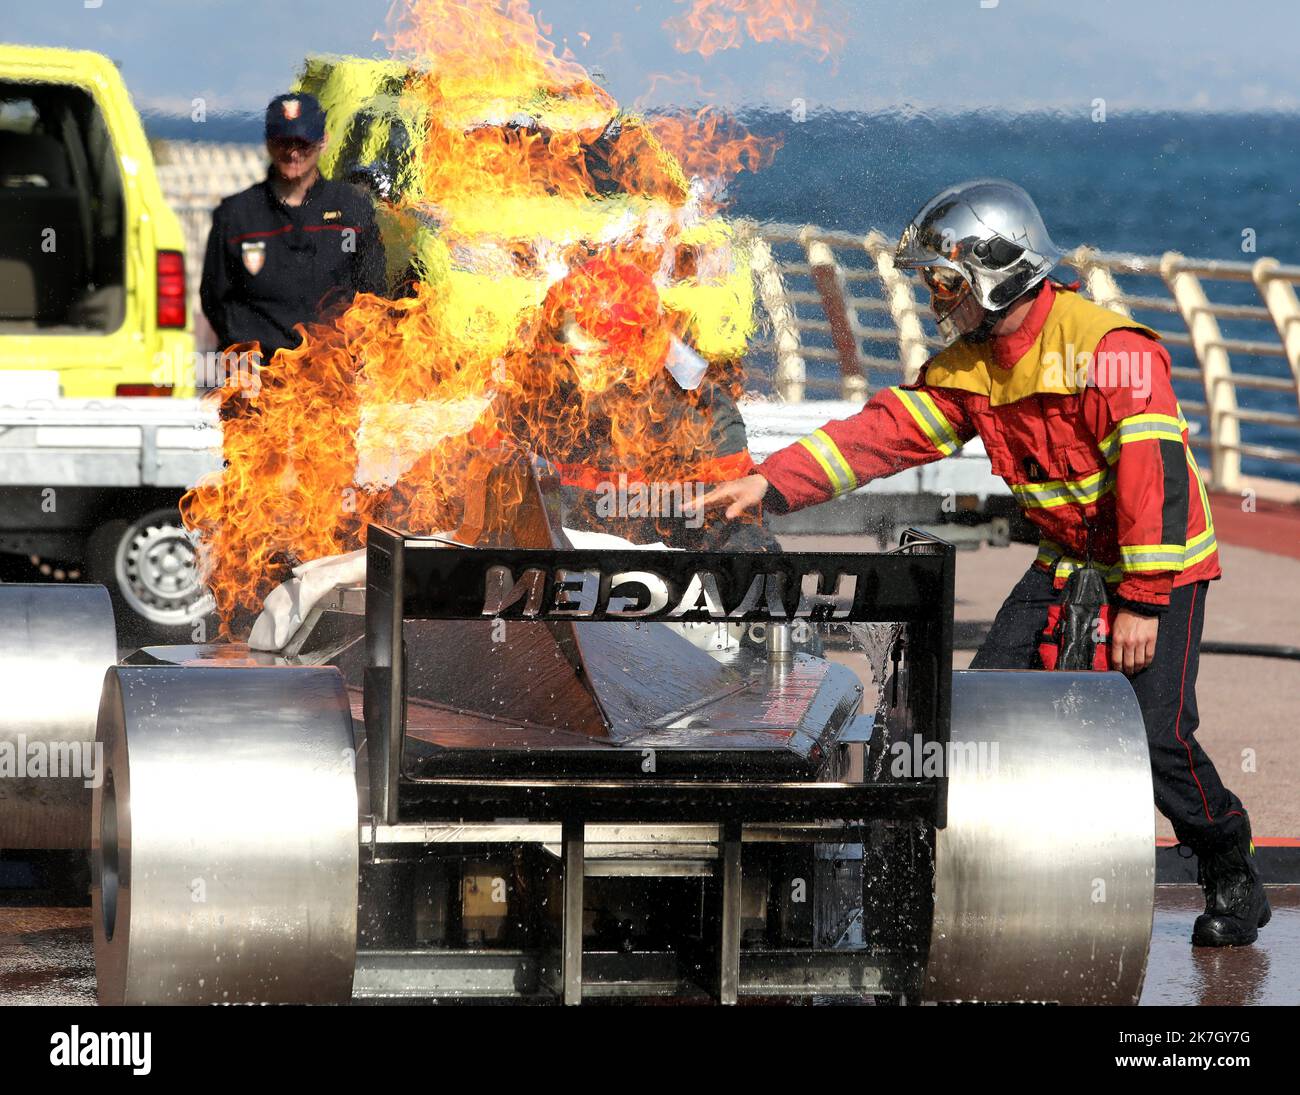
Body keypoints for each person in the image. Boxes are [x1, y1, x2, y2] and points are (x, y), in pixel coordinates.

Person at [700, 179, 1269, 947]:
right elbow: (881, 434)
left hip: (1157, 568)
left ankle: (1229, 866)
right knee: (983, 715)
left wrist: (1141, 599)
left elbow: (1151, 480)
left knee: (1156, 736)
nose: (936, 299)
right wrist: (772, 482)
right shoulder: (973, 367)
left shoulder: (1112, 353)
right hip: (1066, 560)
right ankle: (990, 880)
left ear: (997, 271)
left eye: (946, 282)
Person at [199, 93, 385, 364]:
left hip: (330, 374)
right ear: (268, 142)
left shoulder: (353, 208)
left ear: (323, 142)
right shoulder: (236, 215)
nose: (293, 152)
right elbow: (215, 298)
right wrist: (244, 352)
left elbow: (373, 293)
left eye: (303, 143)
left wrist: (351, 349)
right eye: (283, 142)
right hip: (258, 377)